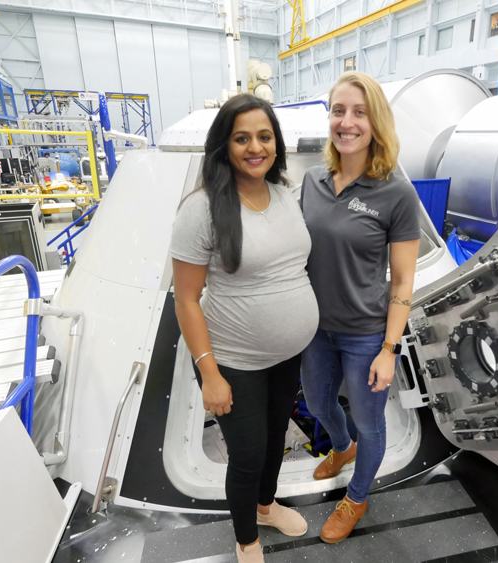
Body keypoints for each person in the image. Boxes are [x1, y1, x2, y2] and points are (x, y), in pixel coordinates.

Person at [171, 94, 318, 563]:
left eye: (264, 136)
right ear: (224, 145)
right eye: (242, 138)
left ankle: (266, 506)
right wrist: (208, 372)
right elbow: (186, 298)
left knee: (276, 439)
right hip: (234, 360)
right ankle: (246, 538)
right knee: (249, 453)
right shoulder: (202, 209)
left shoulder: (282, 192)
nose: (255, 147)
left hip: (286, 354)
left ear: (276, 142)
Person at [299, 72, 422, 544]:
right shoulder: (312, 181)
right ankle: (342, 447)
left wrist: (390, 348)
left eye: (359, 112)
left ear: (376, 122)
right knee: (317, 402)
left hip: (366, 333)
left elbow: (404, 280)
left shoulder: (395, 194)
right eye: (338, 111)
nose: (346, 122)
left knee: (371, 421)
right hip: (314, 327)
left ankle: (357, 494)